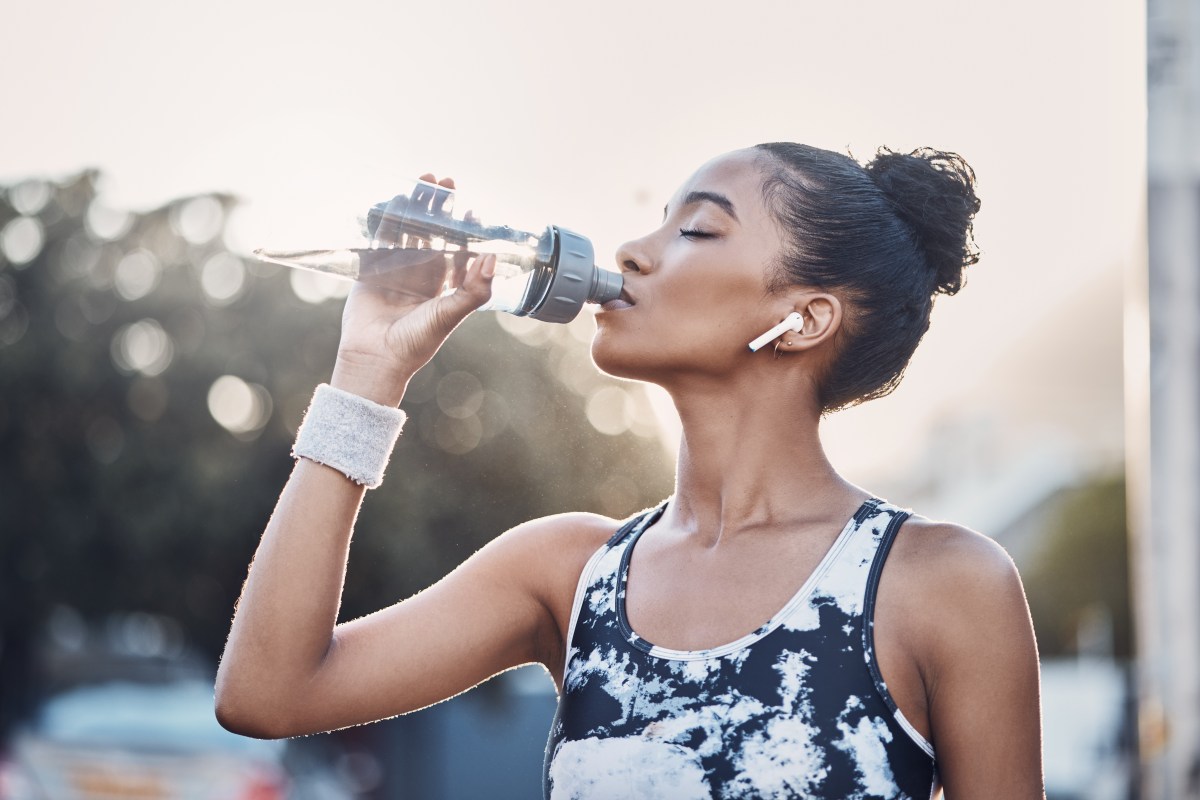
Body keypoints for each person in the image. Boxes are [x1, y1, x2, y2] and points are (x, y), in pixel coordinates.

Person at [215, 143, 1045, 798]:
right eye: (657, 221)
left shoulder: (940, 583)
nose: (633, 253)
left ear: (802, 320)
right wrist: (367, 373)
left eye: (696, 230)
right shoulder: (568, 572)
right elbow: (268, 692)